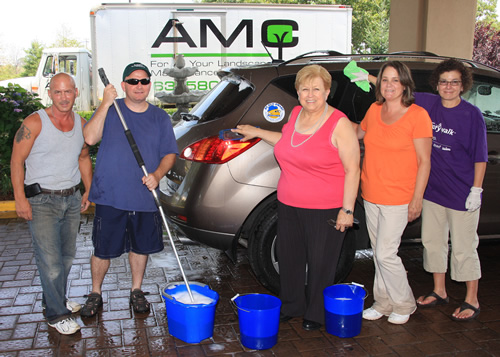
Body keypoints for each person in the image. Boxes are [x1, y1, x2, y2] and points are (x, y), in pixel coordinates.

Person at [234, 64, 360, 331]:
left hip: (325, 207)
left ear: (327, 91)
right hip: (289, 203)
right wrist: (257, 131)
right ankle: (292, 305)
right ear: (298, 92)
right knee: (290, 259)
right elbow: (287, 141)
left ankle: (316, 313)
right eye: (304, 89)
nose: (310, 94)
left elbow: (352, 169)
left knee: (321, 263)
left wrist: (347, 211)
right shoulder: (295, 113)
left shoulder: (340, 123)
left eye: (316, 89)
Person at [81, 62, 178, 317]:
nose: (139, 86)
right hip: (110, 195)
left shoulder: (160, 117)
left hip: (144, 196)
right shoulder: (111, 111)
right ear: (123, 85)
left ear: (149, 85)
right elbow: (90, 137)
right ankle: (95, 292)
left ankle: (136, 290)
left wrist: (157, 175)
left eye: (144, 81)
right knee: (103, 248)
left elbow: (169, 153)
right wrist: (105, 103)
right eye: (133, 81)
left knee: (141, 247)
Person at [10, 73, 93, 335]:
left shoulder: (82, 124)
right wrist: (20, 199)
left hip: (69, 199)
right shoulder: (35, 122)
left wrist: (88, 189)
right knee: (50, 262)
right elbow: (16, 161)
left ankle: (53, 298)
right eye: (57, 92)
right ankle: (57, 314)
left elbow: (83, 158)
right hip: (42, 200)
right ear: (50, 94)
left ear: (76, 92)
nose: (63, 97)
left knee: (66, 259)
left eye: (68, 91)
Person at [352, 61, 432, 325]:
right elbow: (358, 133)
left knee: (386, 253)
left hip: (400, 197)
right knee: (379, 253)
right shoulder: (374, 110)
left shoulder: (417, 115)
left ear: (405, 84)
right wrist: (326, 115)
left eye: (395, 80)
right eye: (384, 80)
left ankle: (404, 303)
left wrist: (417, 199)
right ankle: (383, 302)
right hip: (372, 193)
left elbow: (424, 162)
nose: (389, 85)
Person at [413, 59, 487, 321]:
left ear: (463, 85)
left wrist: (475, 191)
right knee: (433, 243)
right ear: (437, 83)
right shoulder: (429, 103)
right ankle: (440, 290)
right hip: (433, 192)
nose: (448, 86)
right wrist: (367, 78)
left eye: (454, 81)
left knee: (464, 247)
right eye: (443, 81)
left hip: (461, 193)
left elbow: (480, 157)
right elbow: (396, 89)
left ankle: (472, 299)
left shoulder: (472, 115)